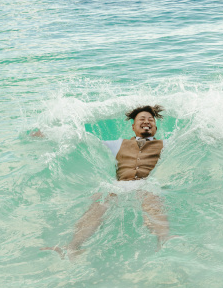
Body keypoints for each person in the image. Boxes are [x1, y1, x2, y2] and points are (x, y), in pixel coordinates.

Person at [41, 105, 173, 258]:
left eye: (151, 119)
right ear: (133, 126)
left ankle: (164, 241)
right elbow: (83, 139)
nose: (147, 121)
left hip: (145, 185)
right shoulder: (117, 144)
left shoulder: (165, 144)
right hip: (118, 186)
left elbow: (189, 137)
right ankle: (72, 247)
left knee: (151, 197)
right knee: (100, 200)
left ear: (155, 127)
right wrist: (50, 133)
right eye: (141, 119)